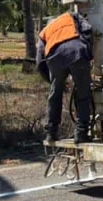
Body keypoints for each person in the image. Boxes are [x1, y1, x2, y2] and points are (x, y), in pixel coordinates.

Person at [36, 8, 94, 145]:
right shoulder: (71, 16)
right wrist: (87, 51)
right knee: (83, 92)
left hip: (55, 58)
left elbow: (39, 62)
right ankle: (81, 132)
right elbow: (88, 29)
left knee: (55, 95)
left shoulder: (44, 32)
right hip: (76, 52)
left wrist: (52, 81)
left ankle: (51, 132)